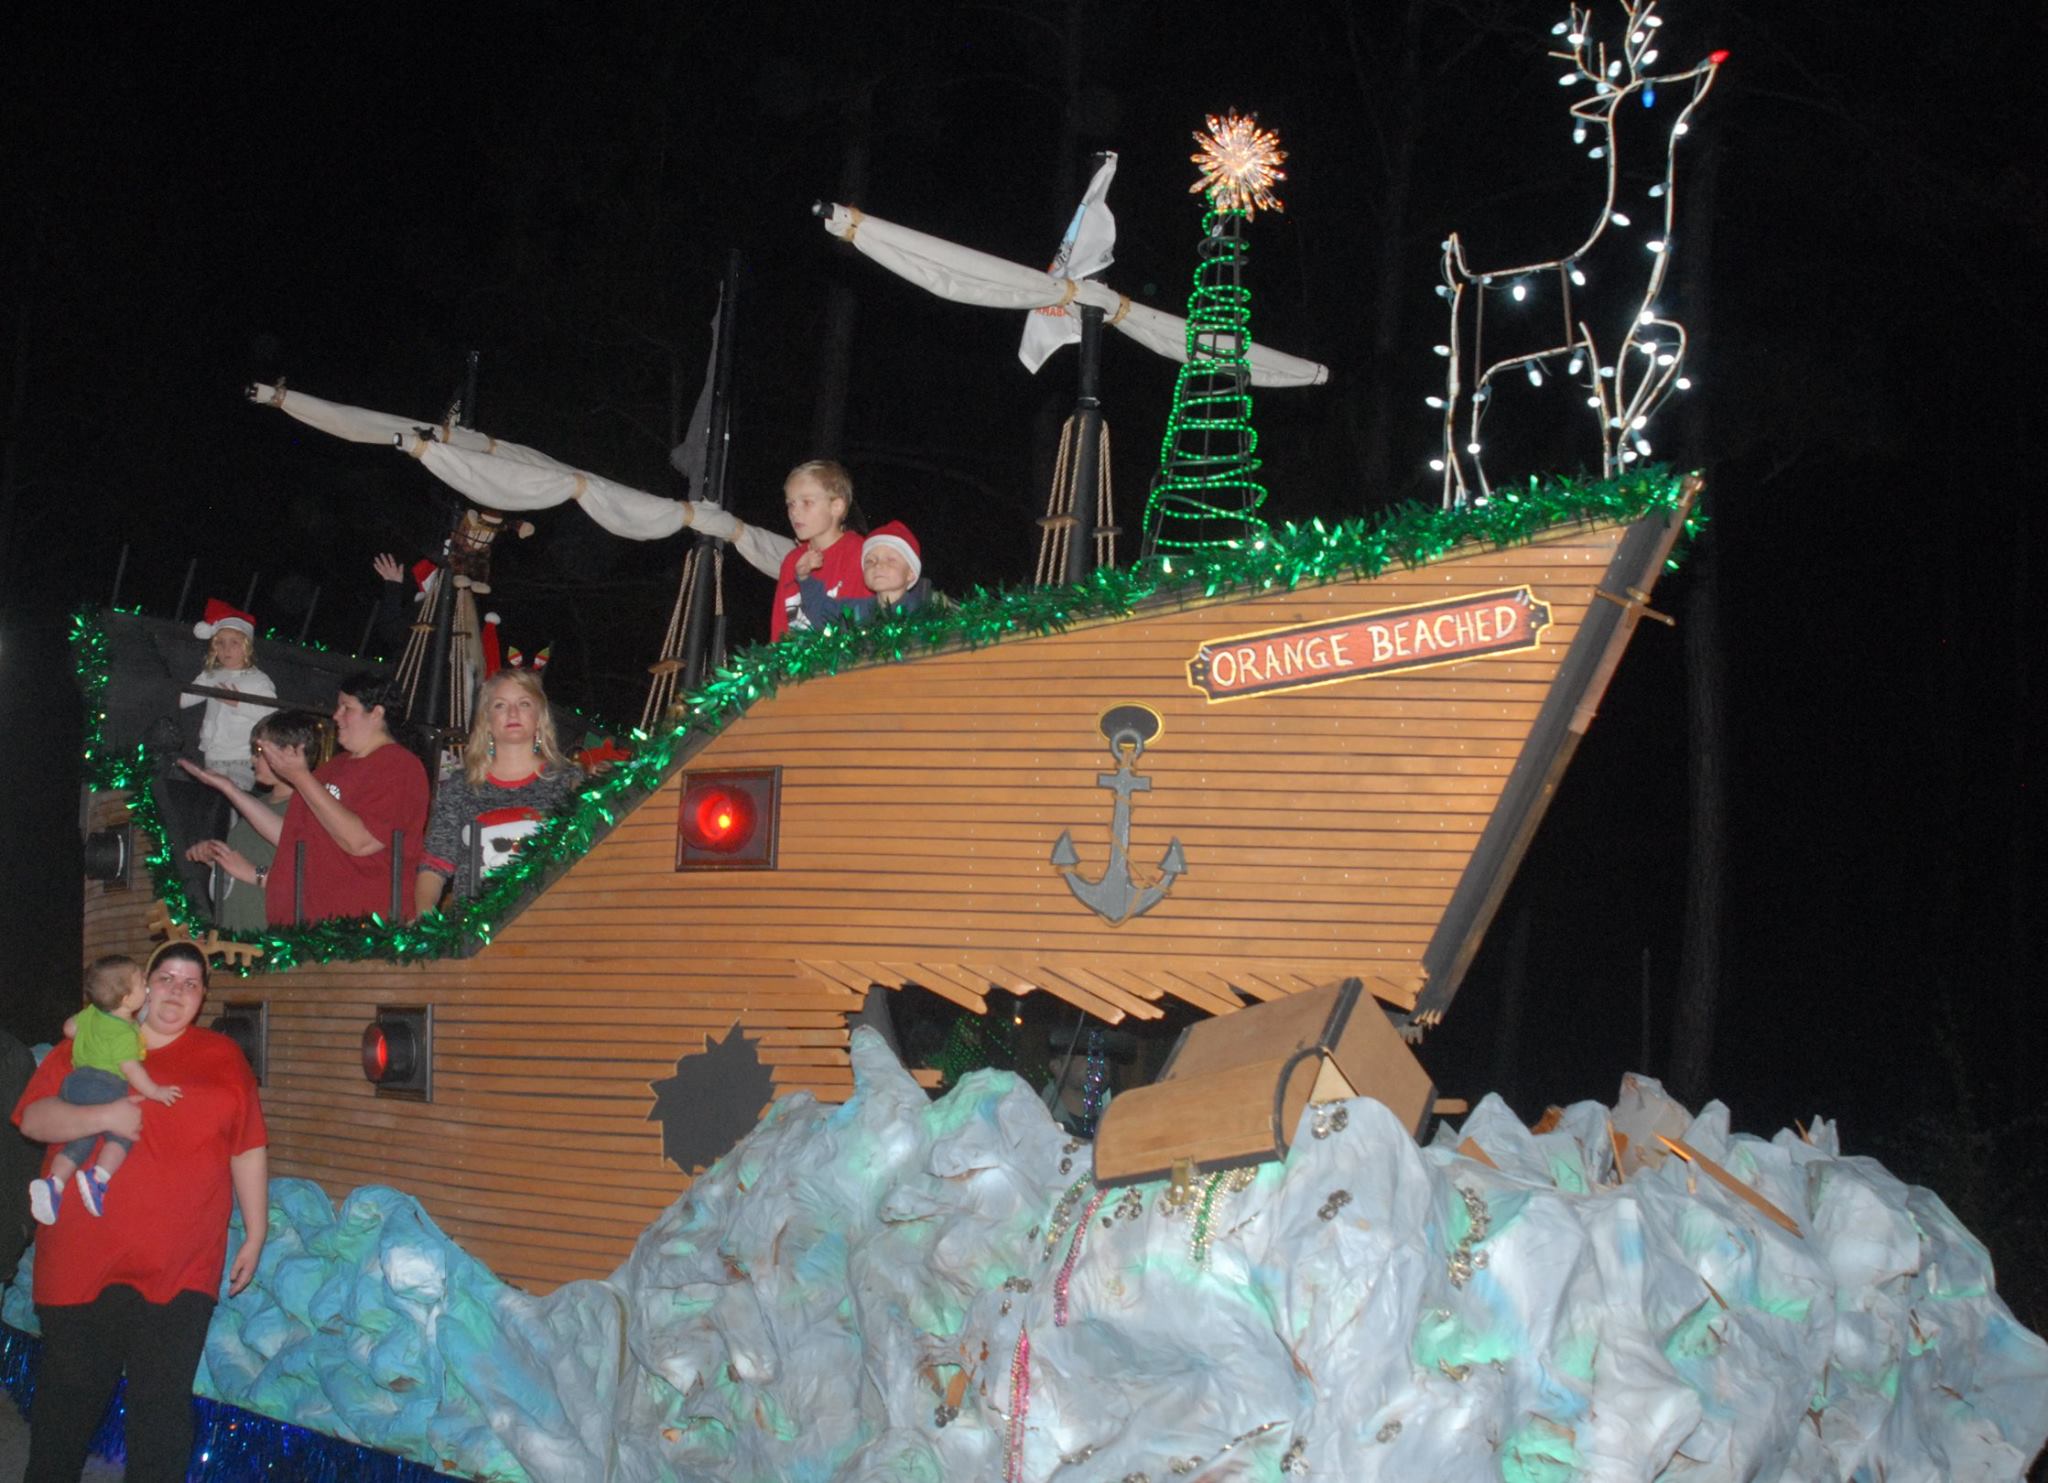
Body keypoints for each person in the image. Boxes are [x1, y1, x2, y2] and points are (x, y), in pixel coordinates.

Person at [12, 941, 268, 1483]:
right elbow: (34, 1119)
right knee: (67, 1406)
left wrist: (256, 1231)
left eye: (191, 983)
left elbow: (246, 1146)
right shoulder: (95, 1038)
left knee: (161, 1413)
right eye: (167, 977)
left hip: (181, 1263)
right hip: (83, 1260)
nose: (178, 989)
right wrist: (105, 1114)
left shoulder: (223, 1058)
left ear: (202, 999)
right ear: (141, 986)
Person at [264, 672, 430, 925]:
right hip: (302, 924)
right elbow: (295, 838)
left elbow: (361, 841)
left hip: (357, 929)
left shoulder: (399, 766)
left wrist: (301, 777)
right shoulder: (329, 769)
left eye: (346, 707)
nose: (336, 715)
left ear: (376, 713)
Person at [28, 957, 182, 1226]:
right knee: (122, 1136)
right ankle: (98, 1177)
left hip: (74, 1084)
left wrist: (90, 1033)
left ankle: (54, 1183)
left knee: (81, 1137)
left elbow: (69, 1028)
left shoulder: (92, 1014)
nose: (146, 986)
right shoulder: (124, 1034)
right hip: (104, 1084)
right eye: (141, 983)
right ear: (125, 999)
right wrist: (155, 1091)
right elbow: (132, 1069)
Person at [415, 669, 583, 914]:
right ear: (487, 721)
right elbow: (434, 865)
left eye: (523, 703)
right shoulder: (461, 787)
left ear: (539, 717)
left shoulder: (568, 782)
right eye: (500, 705)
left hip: (547, 925)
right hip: (473, 932)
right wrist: (424, 919)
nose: (513, 713)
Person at [177, 709, 335, 932]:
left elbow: (317, 881)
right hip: (236, 938)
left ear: (290, 751)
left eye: (260, 751)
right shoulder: (256, 805)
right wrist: (216, 860)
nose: (252, 759)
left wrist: (254, 873)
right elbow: (247, 866)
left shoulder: (313, 807)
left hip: (275, 943)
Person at [678, 459, 871, 639]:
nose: (794, 511)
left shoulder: (859, 553)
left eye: (807, 502)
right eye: (790, 504)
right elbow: (781, 627)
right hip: (797, 669)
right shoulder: (792, 560)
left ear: (836, 506)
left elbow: (862, 622)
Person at [178, 600, 277, 790]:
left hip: (243, 757)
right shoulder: (211, 675)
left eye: (234, 643)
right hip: (213, 756)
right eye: (221, 643)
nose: (226, 649)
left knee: (233, 799)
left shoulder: (258, 680)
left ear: (246, 646)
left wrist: (238, 702)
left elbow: (270, 715)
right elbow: (185, 699)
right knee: (213, 803)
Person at [799, 519, 935, 627]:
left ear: (911, 573)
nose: (878, 565)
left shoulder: (924, 612)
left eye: (891, 560)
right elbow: (823, 614)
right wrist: (805, 577)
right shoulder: (858, 611)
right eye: (870, 561)